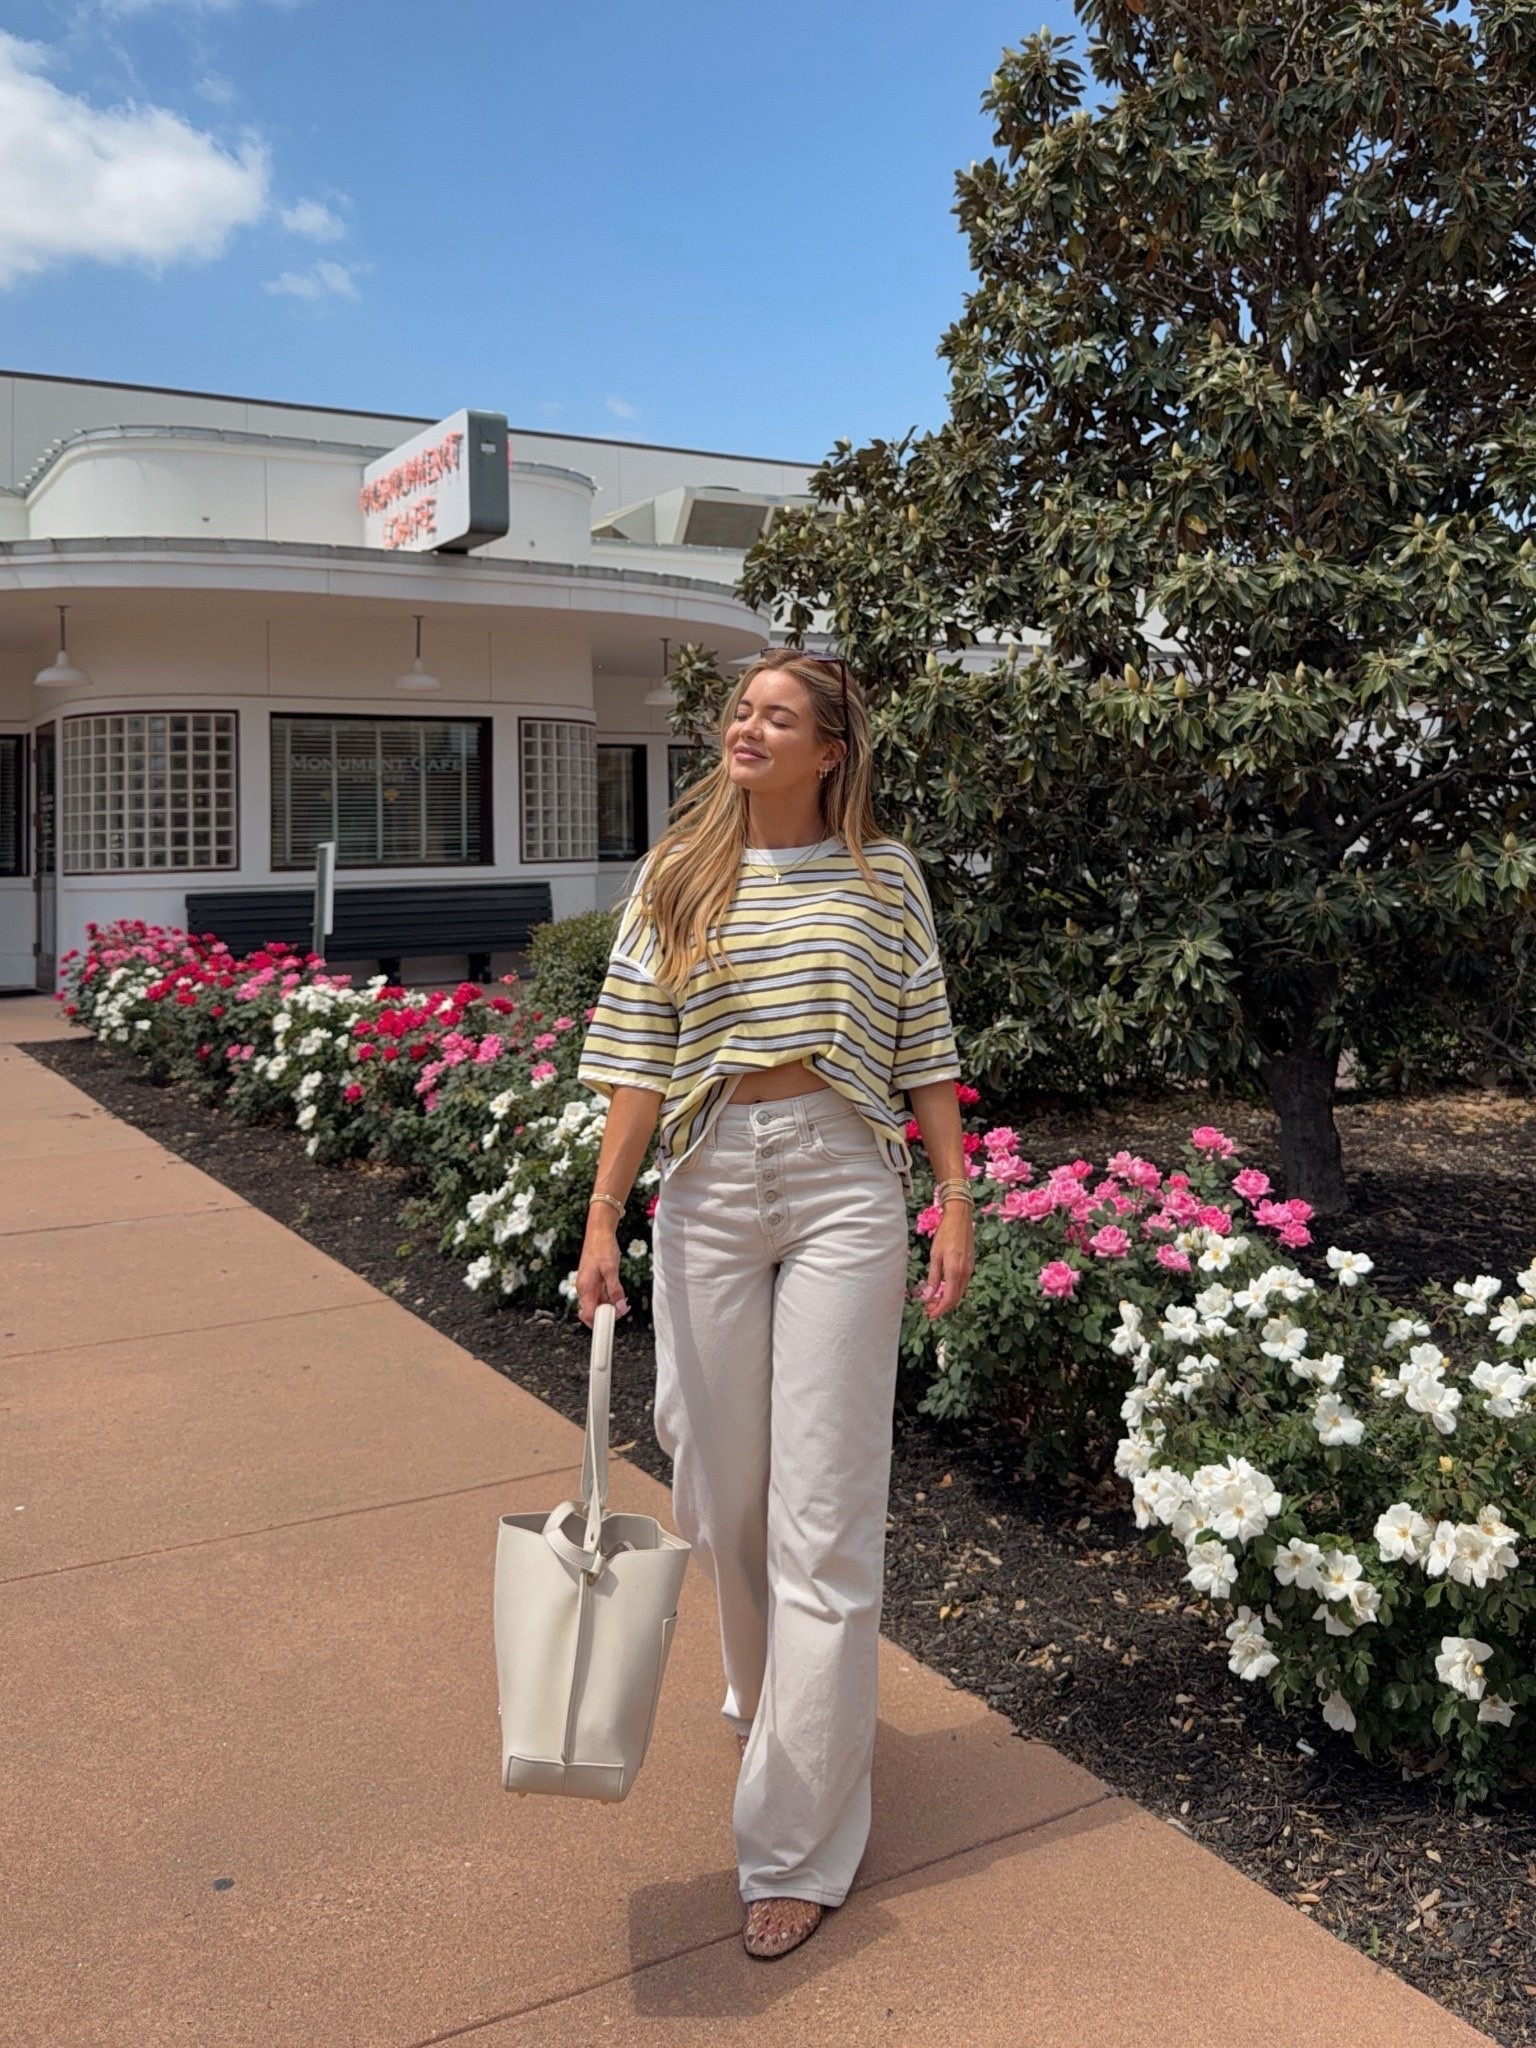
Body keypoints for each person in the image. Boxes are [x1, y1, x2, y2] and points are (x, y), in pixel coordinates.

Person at [574, 647, 974, 1960]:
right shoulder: (678, 873)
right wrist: (599, 1220)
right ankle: (775, 1693)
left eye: (778, 715)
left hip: (846, 1180)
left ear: (831, 750)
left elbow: (924, 1040)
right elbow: (637, 1056)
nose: (748, 726)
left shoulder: (884, 877)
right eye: (741, 709)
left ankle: (795, 1841)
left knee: (824, 1515)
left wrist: (955, 1200)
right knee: (719, 1493)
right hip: (706, 1183)